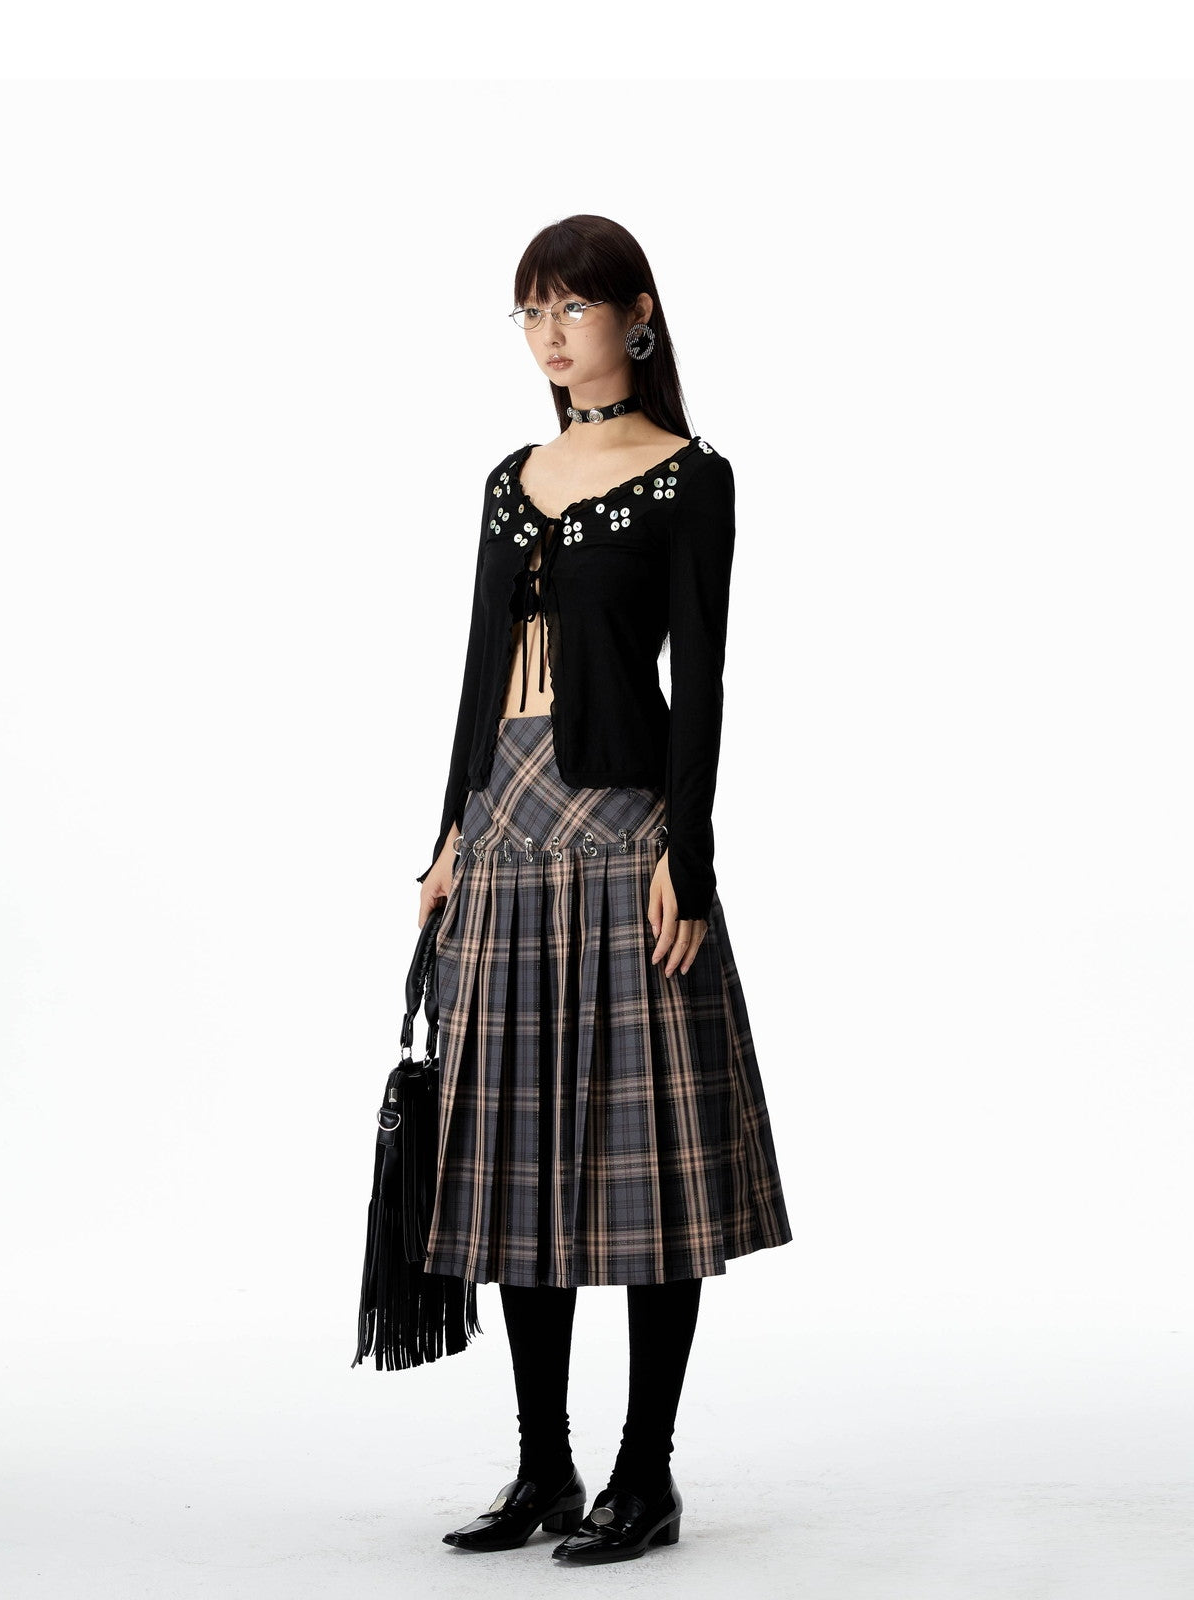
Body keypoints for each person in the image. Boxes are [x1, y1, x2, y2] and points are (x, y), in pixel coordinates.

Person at [414, 214, 792, 1565]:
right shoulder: (508, 479)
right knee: (519, 1150)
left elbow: (704, 681)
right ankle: (544, 1469)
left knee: (648, 1159)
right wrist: (445, 838)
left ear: (638, 316)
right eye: (531, 312)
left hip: (628, 828)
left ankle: (647, 1474)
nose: (551, 334)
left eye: (571, 307)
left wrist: (690, 857)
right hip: (507, 824)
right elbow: (477, 669)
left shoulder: (693, 478)